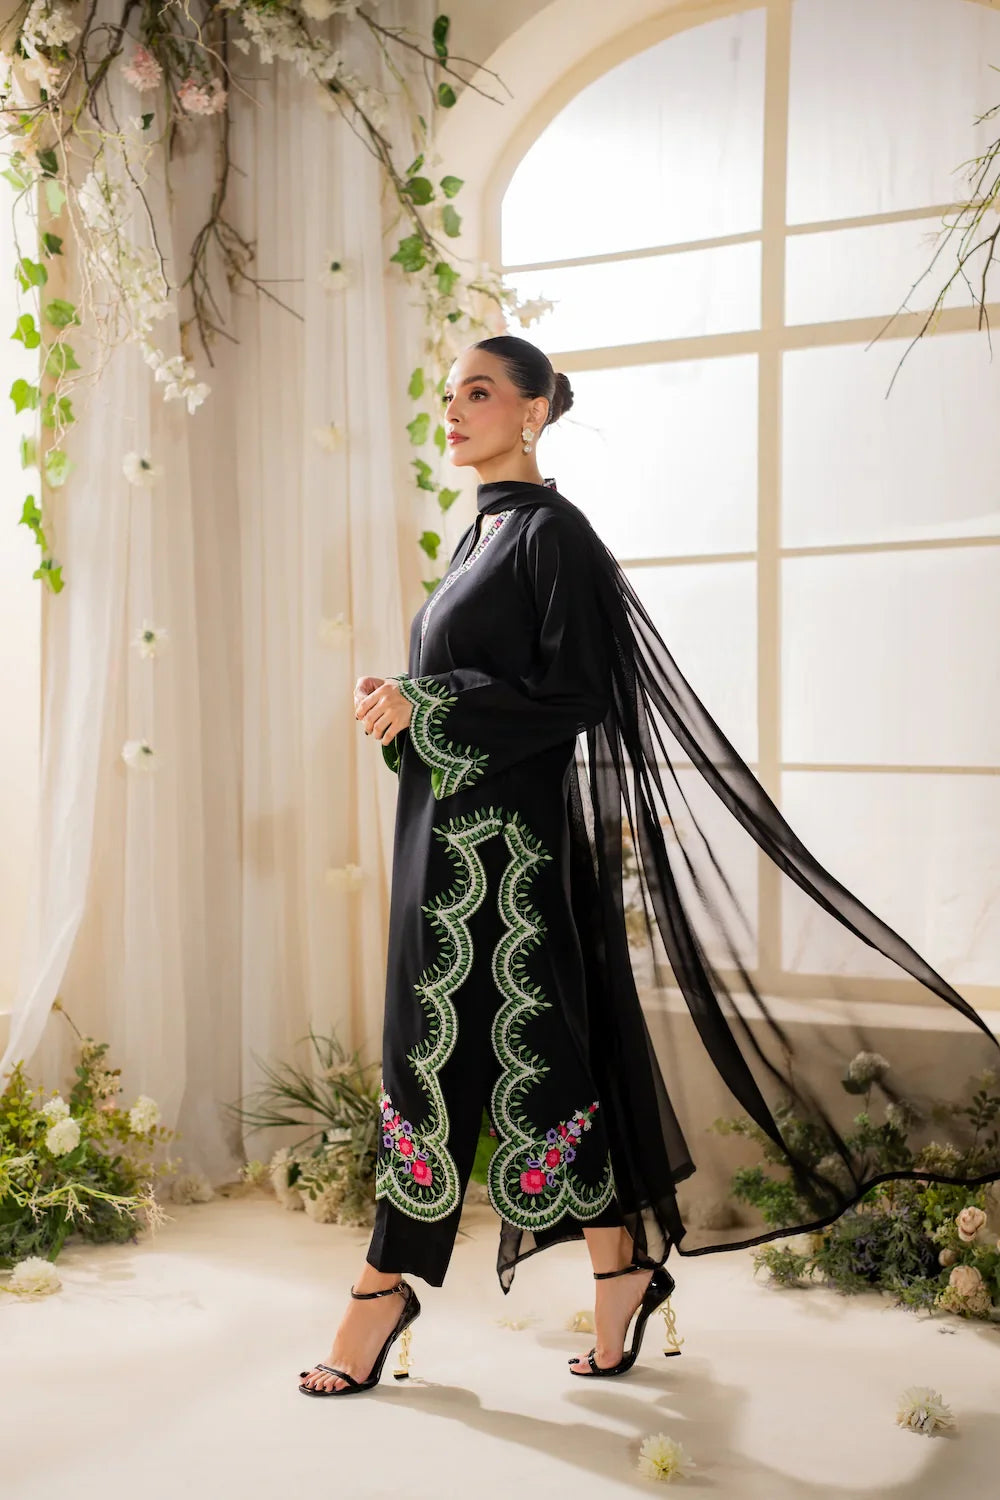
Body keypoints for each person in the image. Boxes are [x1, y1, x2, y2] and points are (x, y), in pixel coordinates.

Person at [298, 335, 1000, 1398]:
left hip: (504, 869)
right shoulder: (482, 535)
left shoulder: (554, 537)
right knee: (537, 1065)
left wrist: (431, 699)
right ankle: (619, 1267)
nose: (455, 411)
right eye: (448, 396)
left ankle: (380, 1289)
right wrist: (399, 705)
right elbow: (489, 690)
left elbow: (576, 695)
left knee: (457, 1064)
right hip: (444, 850)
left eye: (479, 393)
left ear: (534, 410)